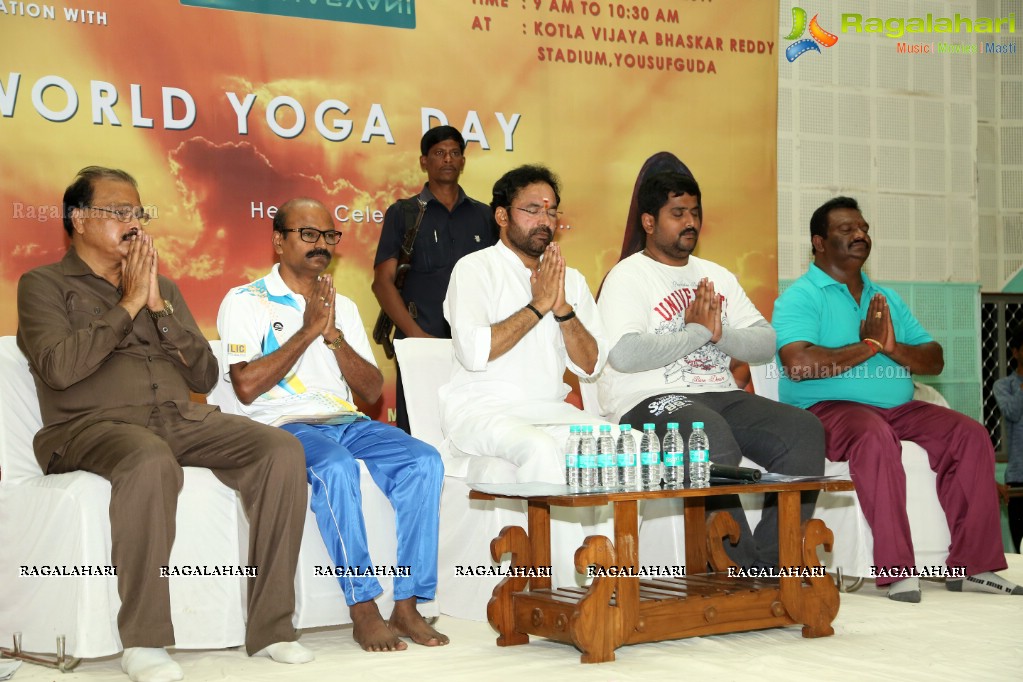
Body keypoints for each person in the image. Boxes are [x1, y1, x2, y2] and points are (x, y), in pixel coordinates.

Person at [16, 167, 312, 682]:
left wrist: (157, 306)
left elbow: (204, 373)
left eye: (138, 213)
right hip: (88, 427)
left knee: (280, 449)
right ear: (80, 220)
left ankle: (271, 627)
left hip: (178, 417)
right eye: (119, 212)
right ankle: (144, 640)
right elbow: (58, 369)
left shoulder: (163, 285)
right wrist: (128, 304)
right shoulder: (42, 284)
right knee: (148, 458)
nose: (133, 223)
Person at [217, 198, 447, 652]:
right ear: (278, 241)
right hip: (283, 425)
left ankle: (407, 603)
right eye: (308, 234)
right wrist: (306, 330)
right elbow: (245, 387)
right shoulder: (245, 301)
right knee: (337, 468)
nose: (321, 244)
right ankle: (362, 607)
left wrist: (332, 334)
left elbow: (369, 390)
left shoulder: (340, 306)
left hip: (346, 419)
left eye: (328, 236)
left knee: (425, 460)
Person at [773, 196, 1020, 601]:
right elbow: (799, 364)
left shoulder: (884, 297)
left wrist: (892, 348)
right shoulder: (801, 297)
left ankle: (974, 567)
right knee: (874, 436)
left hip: (900, 409)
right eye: (847, 229)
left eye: (864, 228)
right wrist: (869, 345)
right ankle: (897, 568)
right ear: (818, 242)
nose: (860, 235)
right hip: (827, 410)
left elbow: (934, 358)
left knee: (970, 434)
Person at [595, 170, 825, 570]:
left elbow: (764, 342)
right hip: (649, 400)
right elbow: (624, 354)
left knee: (803, 431)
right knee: (707, 435)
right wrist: (697, 332)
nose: (691, 223)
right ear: (649, 222)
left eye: (695, 213)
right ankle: (736, 569)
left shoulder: (716, 274)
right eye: (678, 213)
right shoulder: (628, 276)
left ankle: (775, 570)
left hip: (722, 394)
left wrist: (717, 335)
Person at [440, 164, 609, 483]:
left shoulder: (569, 280)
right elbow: (474, 352)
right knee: (540, 450)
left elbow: (591, 365)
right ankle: (553, 536)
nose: (545, 221)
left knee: (631, 447)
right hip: (484, 412)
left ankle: (605, 537)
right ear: (502, 216)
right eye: (532, 210)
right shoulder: (474, 269)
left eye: (552, 213)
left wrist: (562, 310)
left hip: (550, 411)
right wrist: (538, 305)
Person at [372, 125, 497, 433]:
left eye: (455, 153)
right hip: (420, 345)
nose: (448, 160)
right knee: (420, 432)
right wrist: (416, 336)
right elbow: (383, 283)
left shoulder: (485, 216)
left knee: (477, 432)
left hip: (476, 352)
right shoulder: (404, 213)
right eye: (439, 153)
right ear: (423, 161)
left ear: (463, 161)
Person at [994, 325, 1023, 552]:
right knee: (1021, 548)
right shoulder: (1004, 386)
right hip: (1018, 477)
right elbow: (1012, 413)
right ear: (1015, 352)